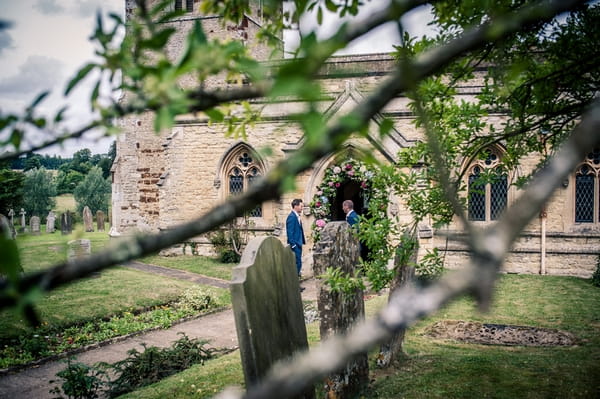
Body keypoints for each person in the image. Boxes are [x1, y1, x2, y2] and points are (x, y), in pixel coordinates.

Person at [286, 198, 306, 277]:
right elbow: (290, 232)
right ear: (295, 206)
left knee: (298, 263)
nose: (302, 208)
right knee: (297, 264)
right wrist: (293, 245)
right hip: (295, 245)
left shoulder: (297, 216)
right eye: (301, 206)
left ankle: (297, 283)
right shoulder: (292, 217)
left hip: (298, 243)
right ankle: (295, 285)